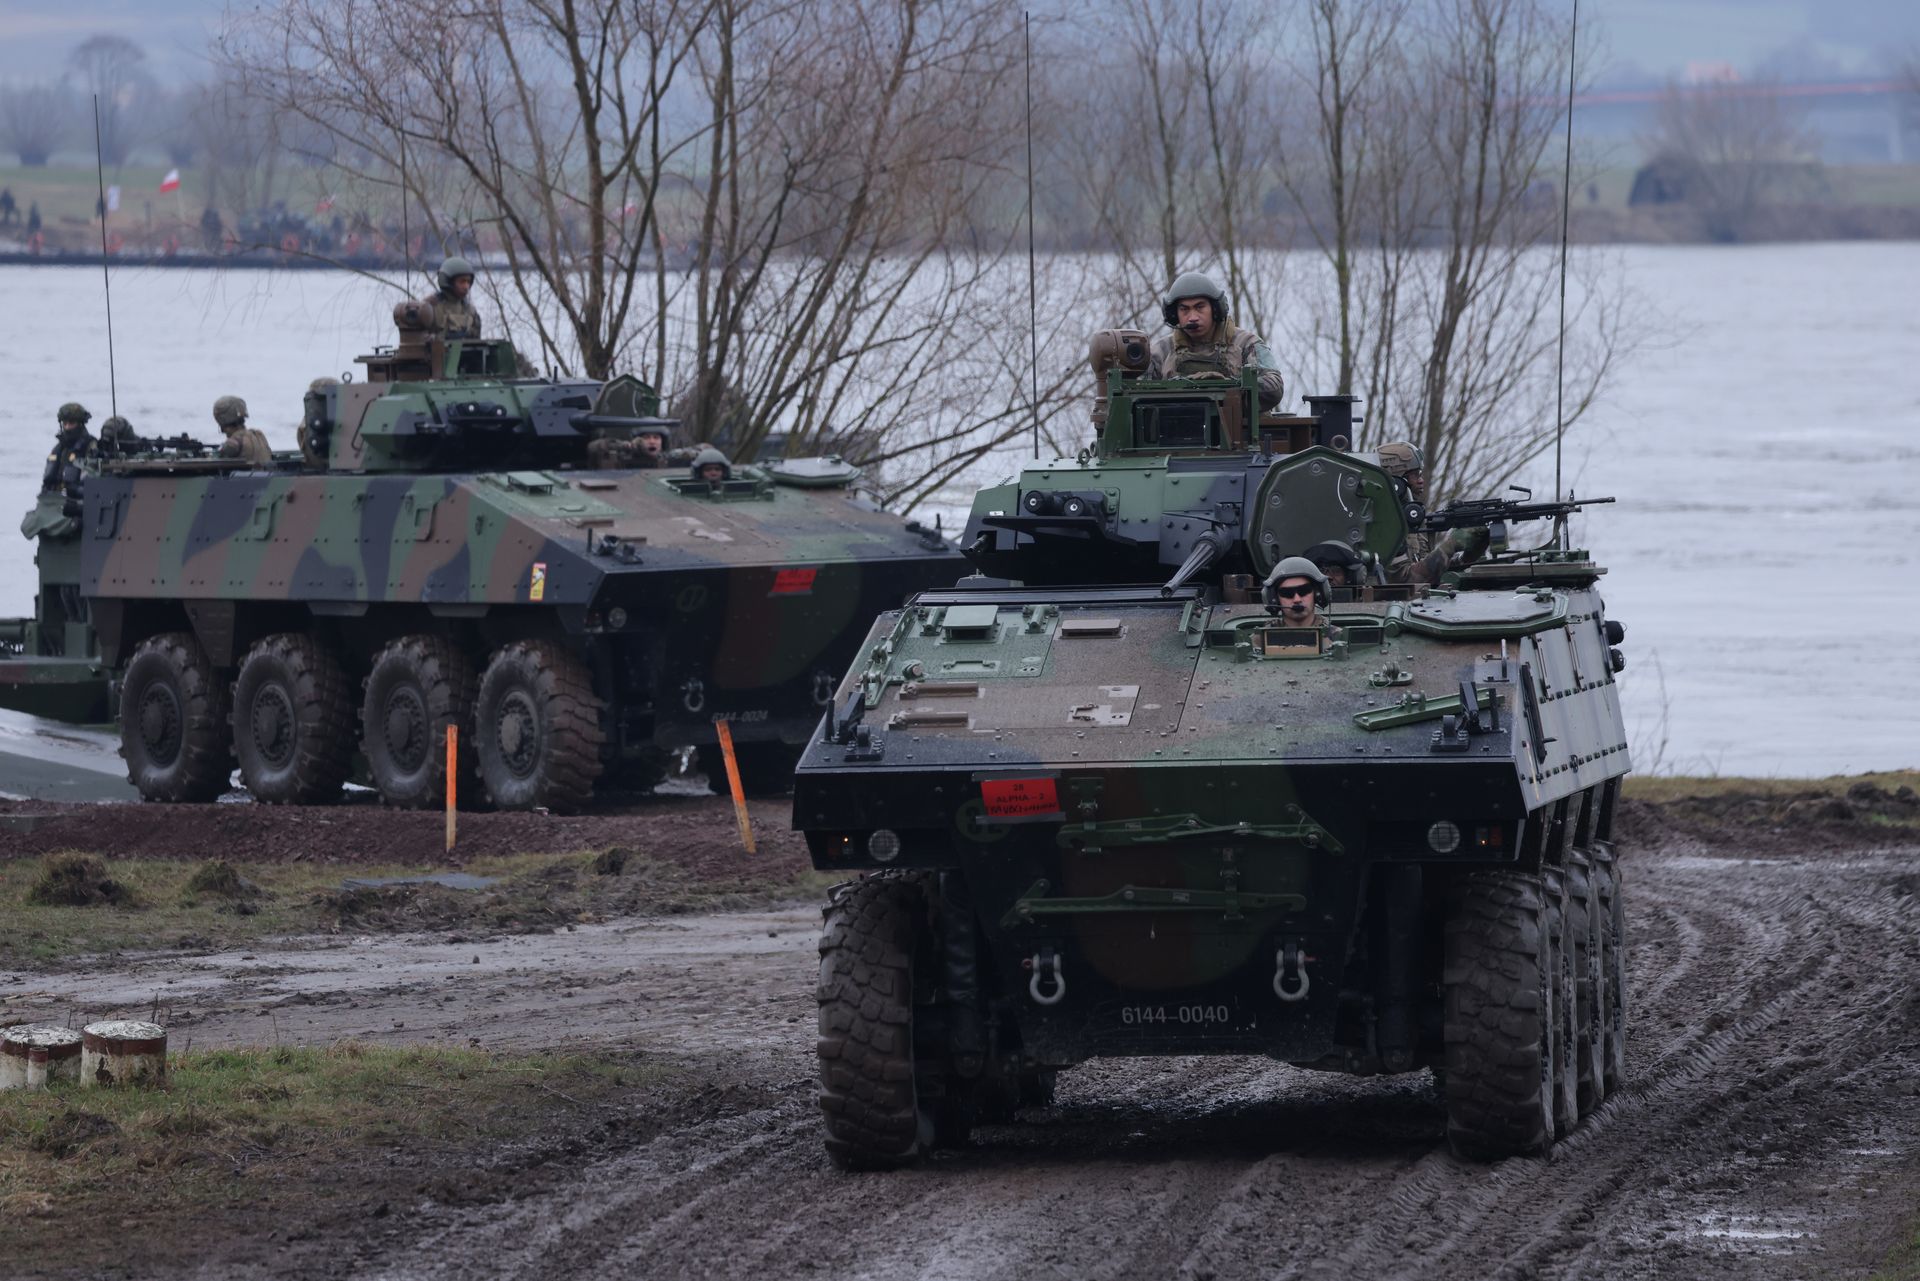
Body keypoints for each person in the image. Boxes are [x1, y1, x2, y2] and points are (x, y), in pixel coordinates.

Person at [1147, 272, 1285, 411]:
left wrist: (1226, 388)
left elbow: (1274, 388)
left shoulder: (1246, 344)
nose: (1192, 317)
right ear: (1174, 314)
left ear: (1215, 309)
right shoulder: (1161, 351)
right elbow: (1133, 391)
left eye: (1200, 307)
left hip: (1237, 430)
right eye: (1184, 309)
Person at [1377, 440, 1489, 585]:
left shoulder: (1407, 522)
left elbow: (1429, 573)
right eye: (1415, 475)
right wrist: (1451, 545)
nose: (1421, 480)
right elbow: (1405, 581)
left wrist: (1470, 555)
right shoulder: (1381, 525)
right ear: (1396, 482)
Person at [423, 255, 483, 339]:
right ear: (448, 281)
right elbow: (417, 342)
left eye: (468, 282)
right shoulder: (429, 307)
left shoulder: (470, 311)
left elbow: (477, 342)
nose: (466, 286)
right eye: (462, 281)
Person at [1261, 556, 1329, 627]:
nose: (1297, 600)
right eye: (1287, 593)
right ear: (1275, 599)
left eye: (1304, 590)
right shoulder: (1262, 637)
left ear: (1317, 594)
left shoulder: (1337, 637)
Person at [213, 396, 273, 466]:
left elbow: (218, 461)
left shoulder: (233, 443)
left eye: (223, 429)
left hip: (246, 476)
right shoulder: (258, 435)